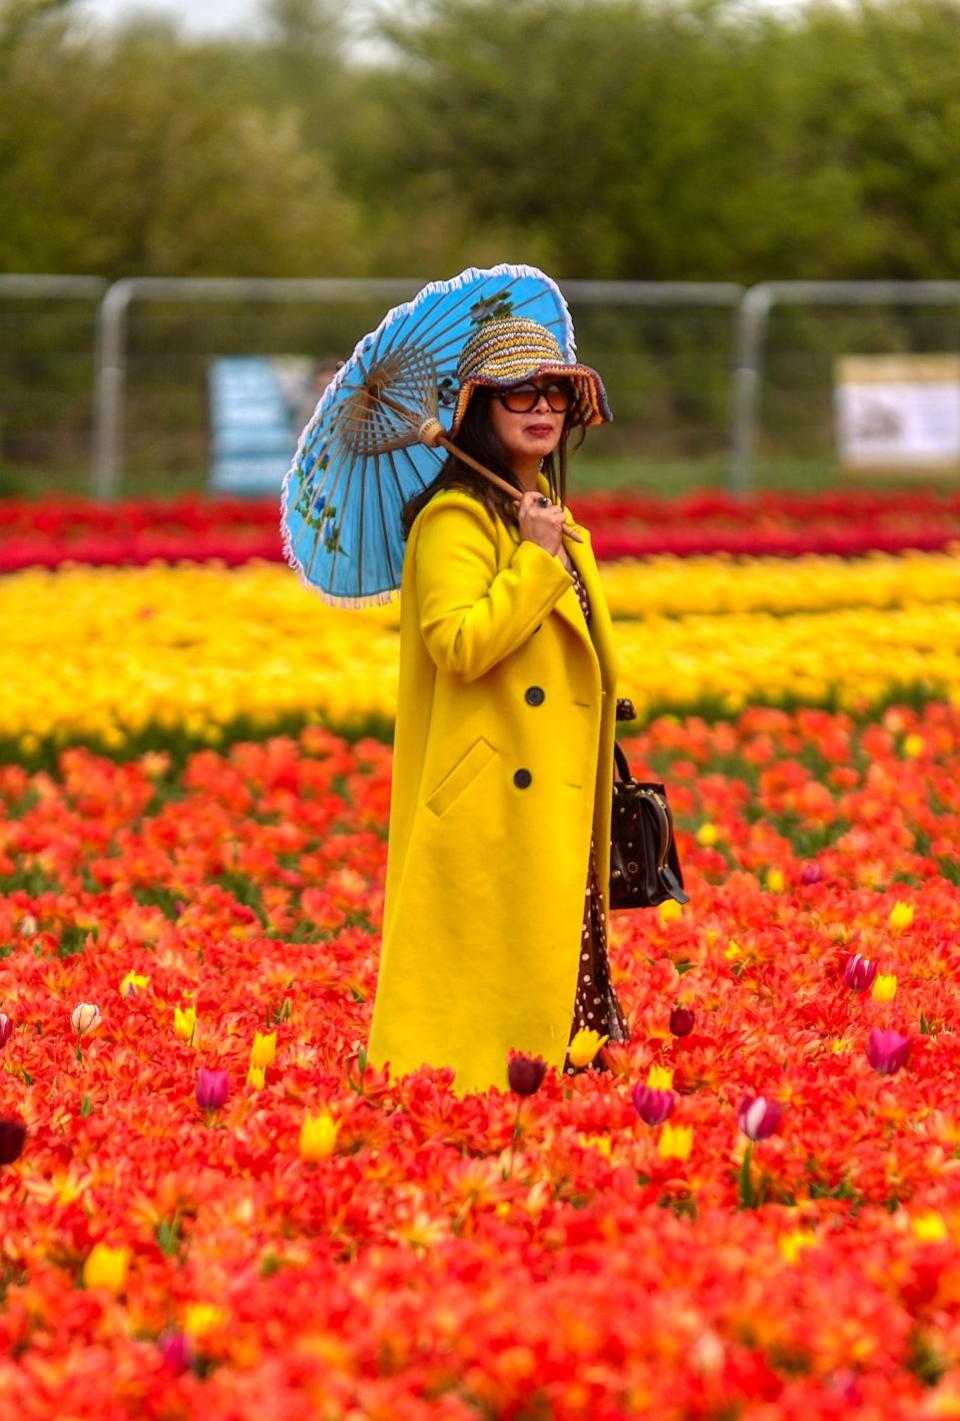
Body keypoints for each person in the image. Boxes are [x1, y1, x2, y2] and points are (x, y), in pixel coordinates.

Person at [366, 315, 629, 1095]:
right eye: (517, 393)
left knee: (553, 961)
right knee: (489, 996)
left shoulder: (538, 510)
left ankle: (554, 1087)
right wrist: (534, 560)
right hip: (492, 792)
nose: (541, 407)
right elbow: (461, 645)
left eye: (554, 390)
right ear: (481, 410)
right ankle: (483, 1104)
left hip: (555, 784)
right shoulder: (456, 520)